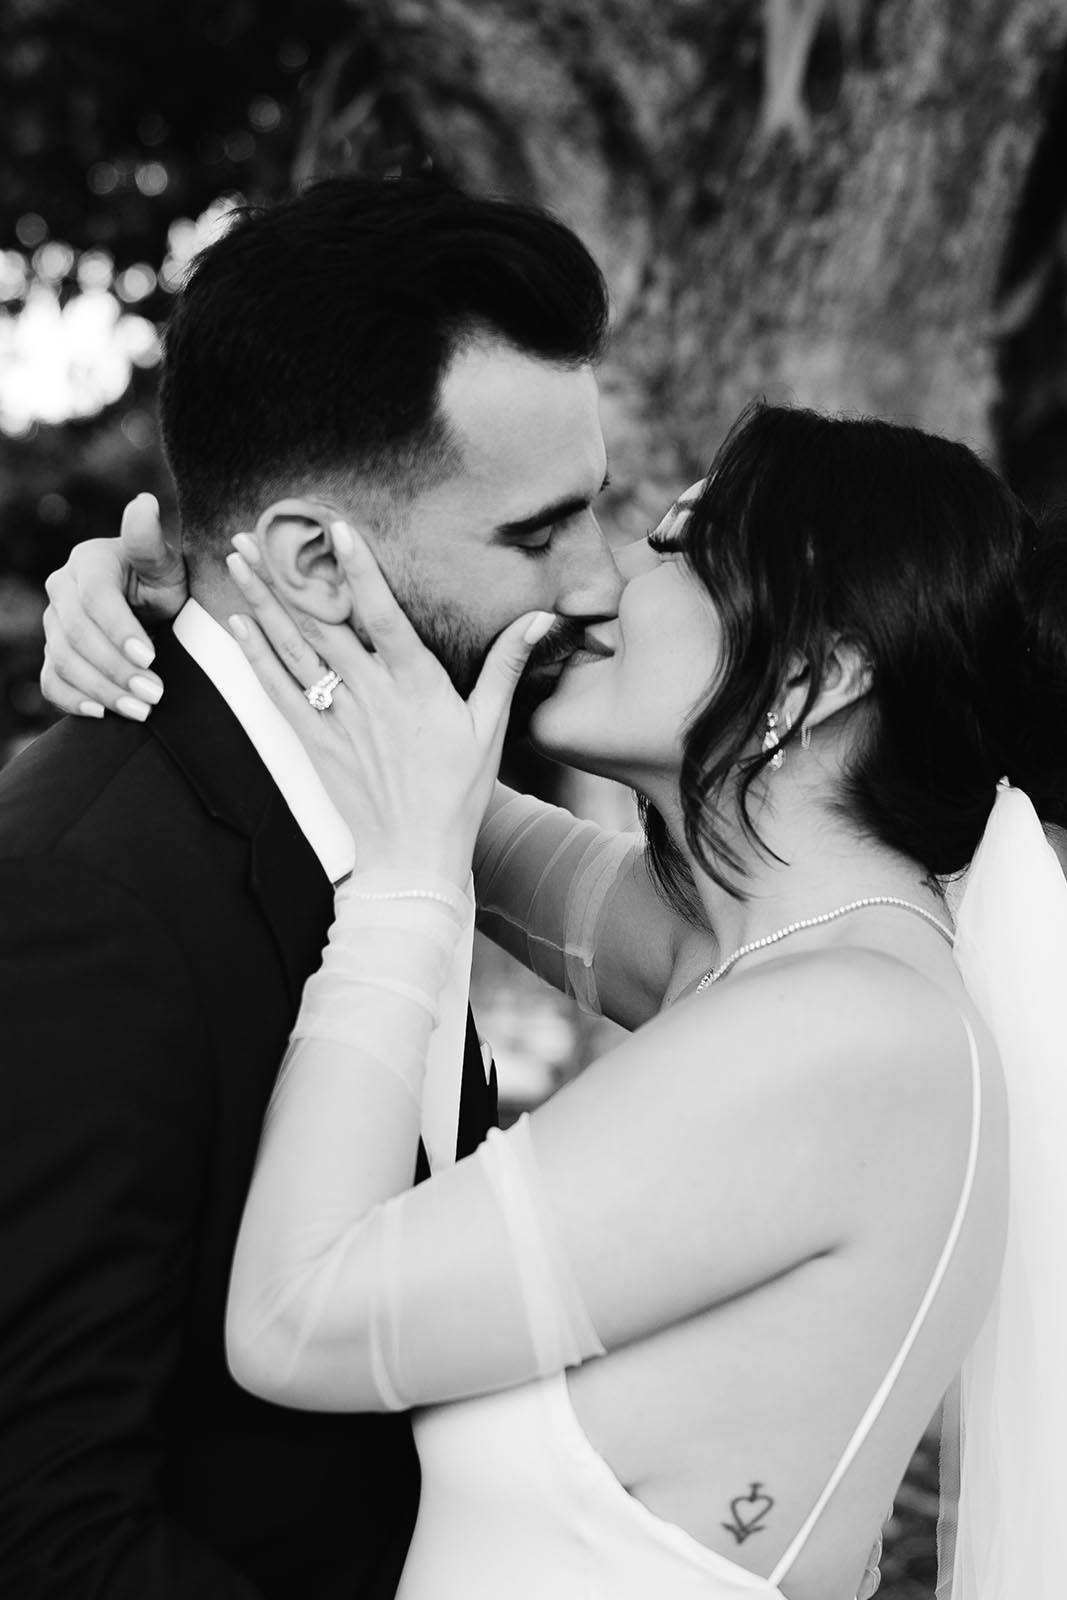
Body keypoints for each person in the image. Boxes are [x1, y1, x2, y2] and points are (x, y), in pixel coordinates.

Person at [43, 403, 1067, 1597]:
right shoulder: (770, 959)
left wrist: (405, 889)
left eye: (677, 548)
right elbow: (445, 793)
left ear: (812, 675)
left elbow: (292, 1320)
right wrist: (216, 613)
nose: (603, 582)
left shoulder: (849, 1035)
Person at [0, 174, 624, 1599]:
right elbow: (43, 1528)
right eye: (533, 536)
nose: (594, 587)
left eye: (591, 515)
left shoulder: (397, 805)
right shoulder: (80, 902)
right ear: (307, 562)